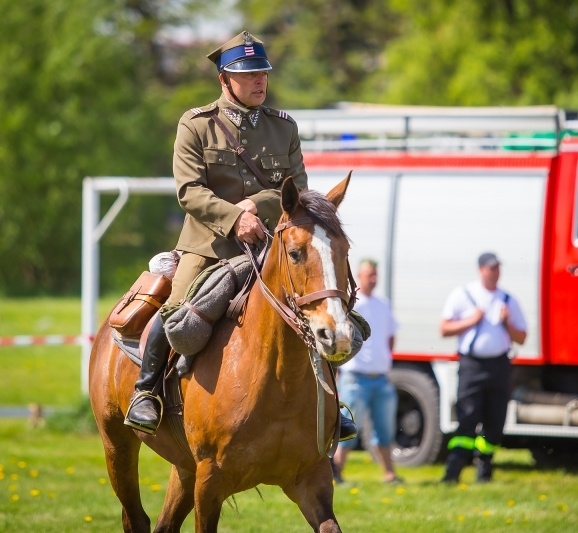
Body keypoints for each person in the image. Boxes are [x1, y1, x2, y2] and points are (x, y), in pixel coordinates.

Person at [123, 30, 358, 441]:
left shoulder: (283, 127)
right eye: (248, 74)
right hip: (209, 246)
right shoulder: (195, 125)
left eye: (262, 73)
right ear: (224, 79)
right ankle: (147, 391)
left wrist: (257, 207)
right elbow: (189, 190)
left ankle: (330, 403)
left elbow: (297, 190)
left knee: (317, 309)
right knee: (177, 307)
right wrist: (233, 218)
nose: (259, 81)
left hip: (271, 245)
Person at [439, 252, 527, 483]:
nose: (495, 272)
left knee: (495, 420)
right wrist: (471, 320)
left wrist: (507, 321)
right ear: (481, 270)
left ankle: (485, 470)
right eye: (491, 268)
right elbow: (444, 328)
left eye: (498, 268)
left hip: (499, 365)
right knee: (467, 418)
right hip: (472, 365)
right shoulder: (464, 295)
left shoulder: (507, 299)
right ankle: (453, 471)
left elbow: (522, 337)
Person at [332, 259, 402, 484]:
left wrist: (383, 360)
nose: (373, 279)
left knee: (385, 429)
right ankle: (336, 474)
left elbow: (390, 336)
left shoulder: (383, 304)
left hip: (380, 379)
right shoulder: (351, 305)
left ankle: (389, 474)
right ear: (359, 277)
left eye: (375, 274)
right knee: (348, 429)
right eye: (369, 274)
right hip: (355, 378)